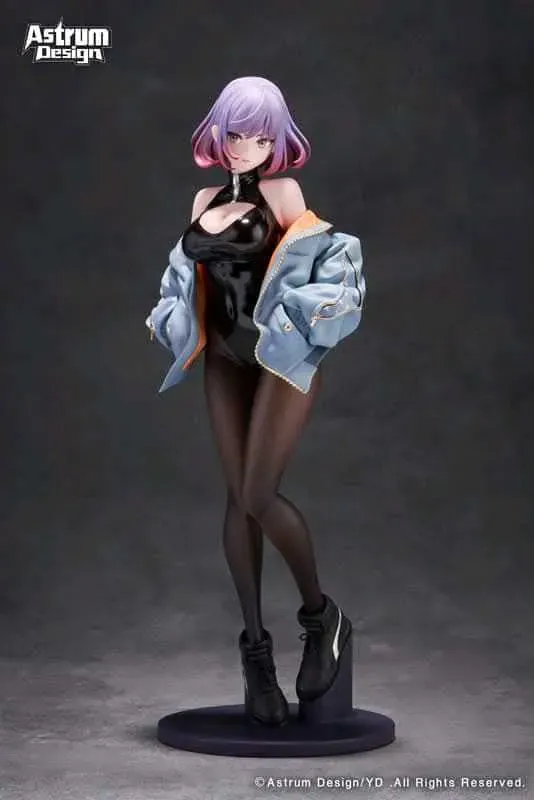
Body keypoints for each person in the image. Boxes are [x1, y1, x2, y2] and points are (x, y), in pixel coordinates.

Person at [146, 76, 366, 727]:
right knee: (236, 500)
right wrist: (169, 316)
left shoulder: (283, 194)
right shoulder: (203, 198)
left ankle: (321, 617)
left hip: (278, 357)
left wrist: (307, 318)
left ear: (277, 141)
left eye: (261, 136)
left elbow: (321, 270)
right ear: (218, 132)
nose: (246, 145)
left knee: (258, 493)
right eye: (236, 132)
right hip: (224, 358)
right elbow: (187, 277)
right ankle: (256, 655)